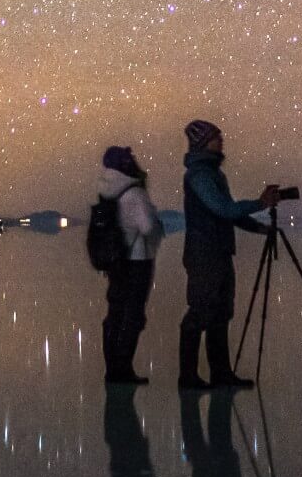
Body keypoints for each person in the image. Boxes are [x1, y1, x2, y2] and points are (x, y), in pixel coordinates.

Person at [178, 119, 279, 391]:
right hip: (204, 255)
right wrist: (260, 204)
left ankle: (221, 374)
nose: (221, 140)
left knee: (221, 313)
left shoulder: (212, 173)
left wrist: (259, 227)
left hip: (218, 252)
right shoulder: (200, 175)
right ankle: (188, 378)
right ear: (203, 142)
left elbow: (227, 211)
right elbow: (222, 208)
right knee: (201, 311)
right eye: (216, 137)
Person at [97, 144, 165, 383]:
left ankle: (113, 368)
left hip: (116, 262)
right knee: (132, 315)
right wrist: (158, 226)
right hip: (137, 260)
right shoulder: (134, 192)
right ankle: (123, 369)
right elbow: (147, 227)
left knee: (116, 313)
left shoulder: (107, 190)